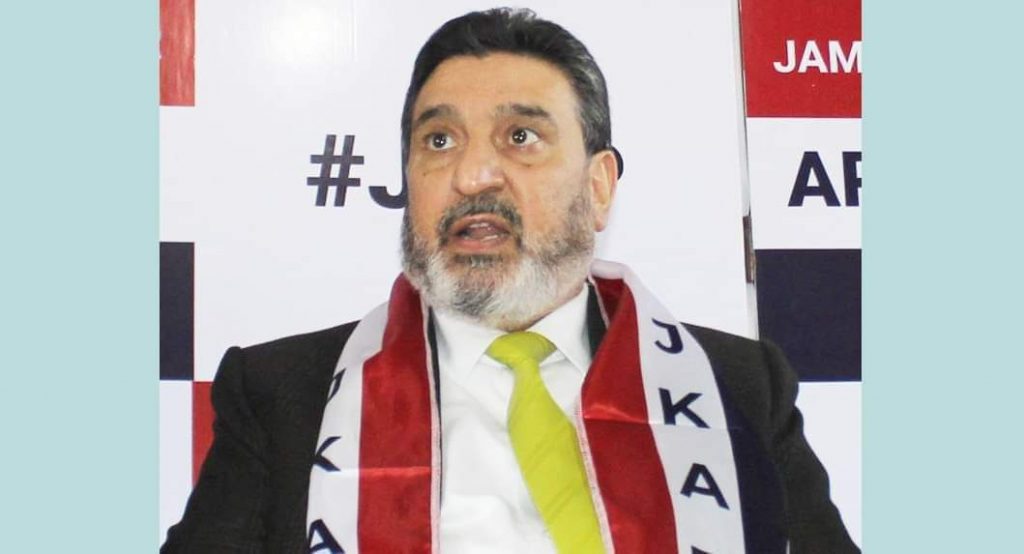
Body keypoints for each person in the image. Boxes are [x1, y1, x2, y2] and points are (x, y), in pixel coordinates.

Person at [163, 8, 858, 554]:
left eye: (520, 137)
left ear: (598, 187)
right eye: (439, 141)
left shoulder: (738, 387)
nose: (472, 176)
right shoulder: (282, 394)